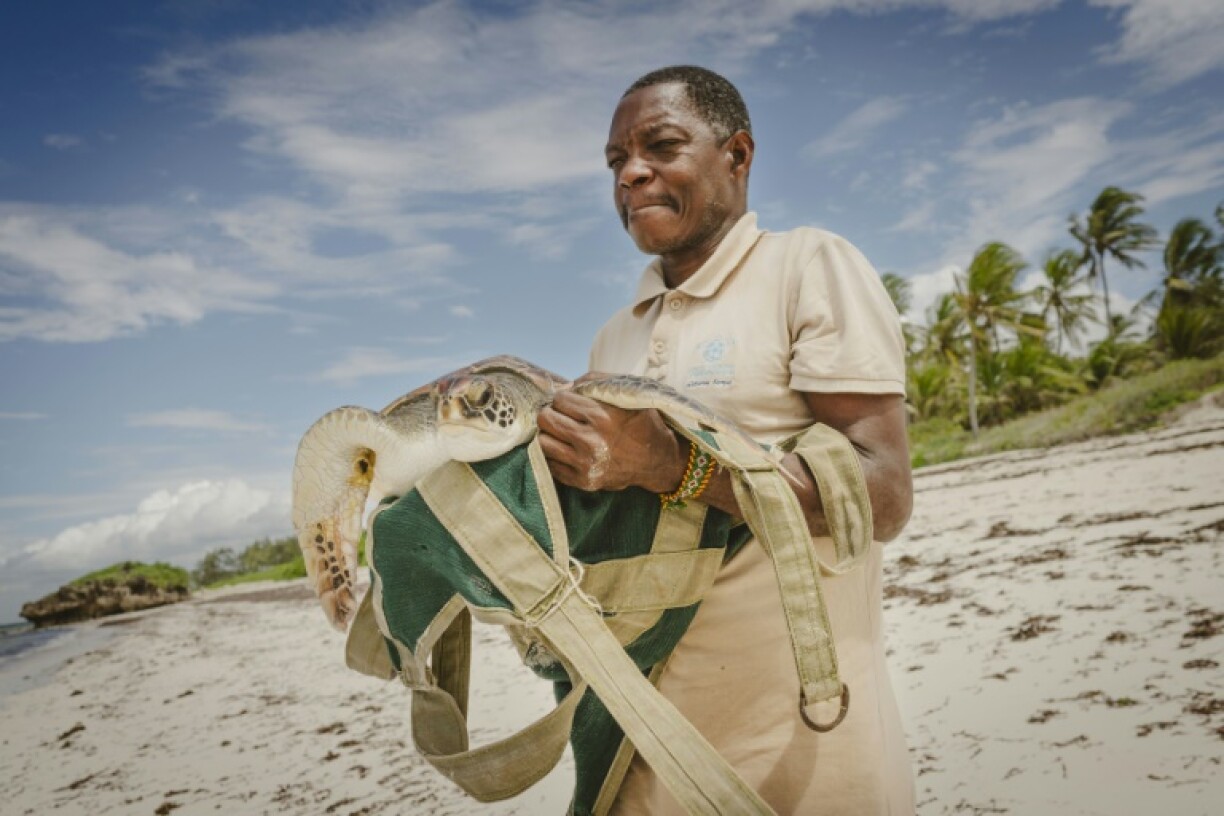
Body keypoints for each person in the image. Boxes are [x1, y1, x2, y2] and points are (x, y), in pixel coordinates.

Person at [537, 65, 915, 815]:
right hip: (642, 749)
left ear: (737, 155)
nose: (632, 173)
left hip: (807, 743)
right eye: (617, 163)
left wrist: (671, 465)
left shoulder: (805, 267)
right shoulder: (615, 336)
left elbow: (882, 495)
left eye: (662, 146)